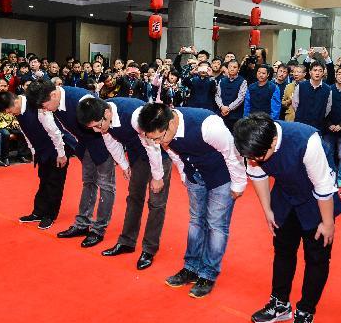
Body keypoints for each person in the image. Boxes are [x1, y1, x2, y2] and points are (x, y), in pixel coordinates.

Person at [234, 113, 341, 323]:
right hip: (285, 196)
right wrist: (268, 210)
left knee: (316, 258)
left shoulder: (307, 141)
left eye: (257, 156)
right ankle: (280, 303)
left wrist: (328, 223)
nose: (252, 161)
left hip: (316, 201)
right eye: (249, 157)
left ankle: (306, 311)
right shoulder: (253, 142)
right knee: (283, 250)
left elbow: (323, 186)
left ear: (273, 142)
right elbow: (257, 174)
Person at [138, 102, 246, 298]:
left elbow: (232, 153)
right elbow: (175, 154)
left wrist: (238, 184)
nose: (157, 143)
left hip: (220, 177)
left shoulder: (208, 125)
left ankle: (208, 274)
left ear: (171, 123)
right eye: (152, 139)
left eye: (158, 138)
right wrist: (184, 175)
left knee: (216, 225)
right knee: (196, 221)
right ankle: (191, 267)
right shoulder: (163, 133)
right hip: (194, 175)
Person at [77, 97, 171, 270]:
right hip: (138, 154)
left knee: (156, 202)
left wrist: (157, 176)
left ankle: (149, 249)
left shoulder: (135, 116)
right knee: (134, 197)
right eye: (92, 128)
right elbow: (111, 142)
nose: (97, 130)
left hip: (158, 154)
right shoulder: (102, 117)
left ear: (107, 114)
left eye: (98, 125)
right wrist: (125, 165)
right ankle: (127, 241)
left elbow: (152, 146)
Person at [26, 81, 115, 248]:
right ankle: (82, 224)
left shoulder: (82, 99)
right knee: (88, 183)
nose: (45, 110)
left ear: (53, 95)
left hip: (103, 143)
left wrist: (117, 153)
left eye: (45, 106)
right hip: (85, 144)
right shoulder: (53, 103)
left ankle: (98, 230)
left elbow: (106, 121)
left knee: (106, 186)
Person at [0, 89, 75, 230]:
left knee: (55, 182)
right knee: (43, 180)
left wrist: (62, 154)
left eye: (9, 110)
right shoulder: (18, 112)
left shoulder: (37, 105)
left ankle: (50, 215)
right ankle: (38, 212)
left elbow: (55, 131)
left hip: (57, 147)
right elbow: (27, 133)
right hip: (42, 149)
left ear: (15, 102)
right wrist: (34, 152)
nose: (9, 113)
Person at [325, 66, 341, 182]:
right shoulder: (328, 89)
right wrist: (329, 124)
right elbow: (323, 109)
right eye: (339, 73)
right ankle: (331, 175)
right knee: (328, 153)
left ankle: (340, 177)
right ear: (335, 75)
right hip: (328, 127)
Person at [291, 60, 332, 131]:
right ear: (310, 72)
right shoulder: (301, 86)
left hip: (318, 125)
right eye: (315, 70)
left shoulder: (327, 89)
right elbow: (295, 104)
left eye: (320, 71)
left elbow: (328, 109)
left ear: (323, 73)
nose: (317, 73)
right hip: (301, 123)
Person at [215, 59, 247, 131]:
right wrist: (221, 107)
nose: (232, 69)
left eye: (235, 67)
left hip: (235, 115)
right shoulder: (222, 80)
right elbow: (217, 95)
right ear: (227, 68)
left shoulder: (243, 81)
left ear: (238, 69)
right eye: (230, 67)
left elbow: (241, 98)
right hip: (221, 113)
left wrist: (228, 108)